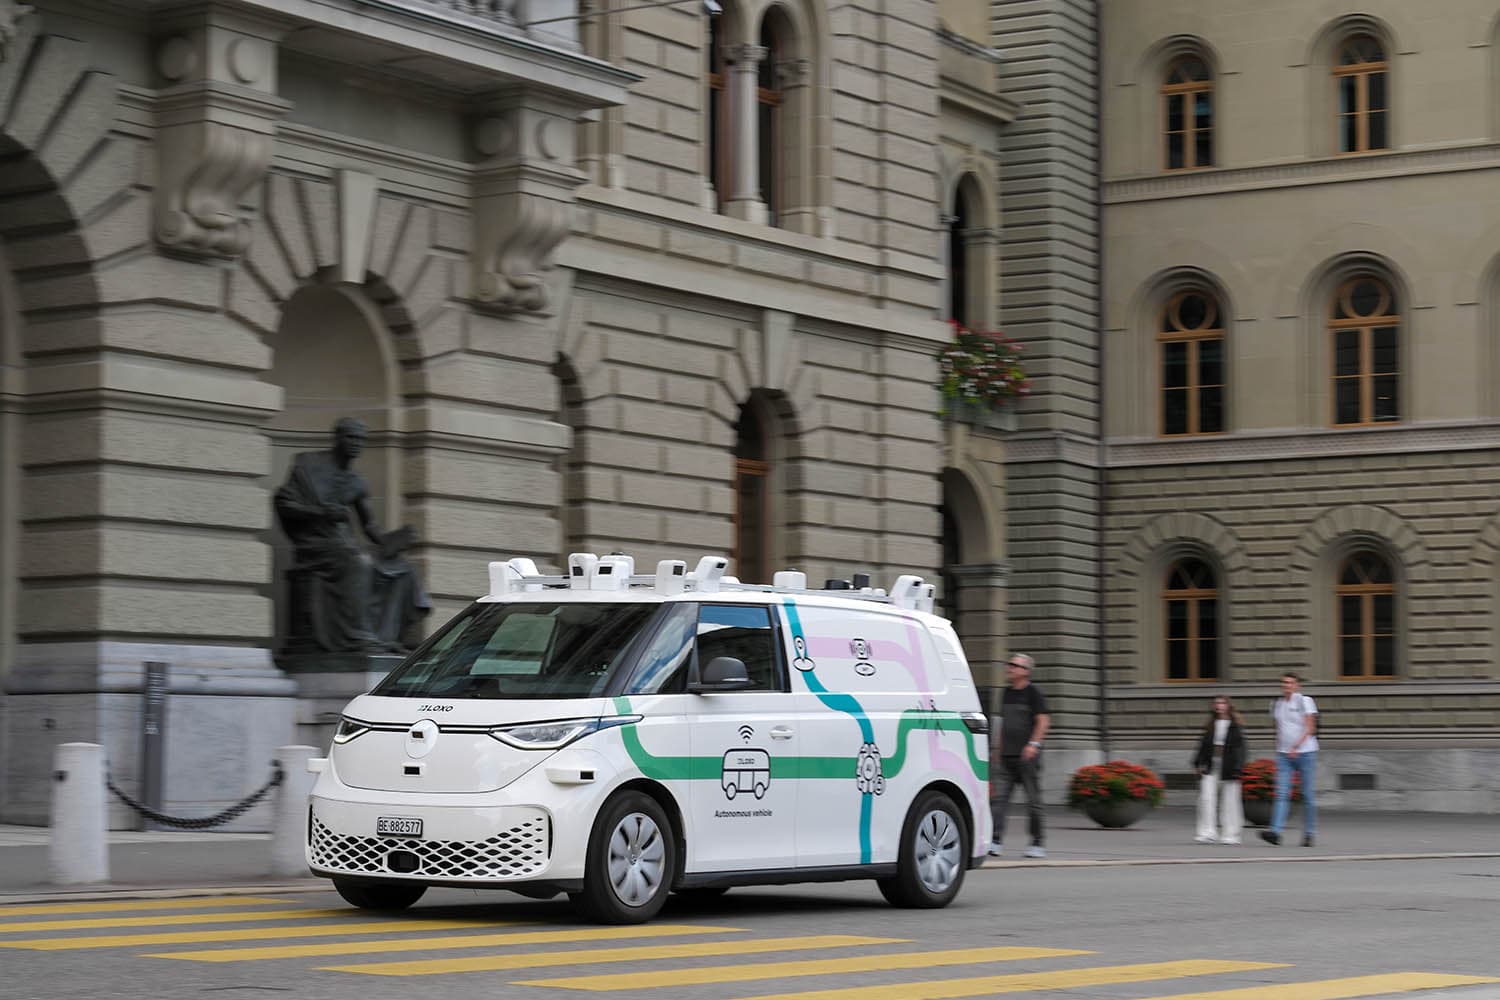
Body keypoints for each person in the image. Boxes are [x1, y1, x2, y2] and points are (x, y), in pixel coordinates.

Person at [274, 417, 430, 654]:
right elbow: (284, 503)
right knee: (359, 561)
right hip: (315, 545)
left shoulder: (357, 482)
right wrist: (320, 512)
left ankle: (389, 636)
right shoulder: (308, 465)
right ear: (337, 438)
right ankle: (357, 636)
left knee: (403, 569)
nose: (356, 443)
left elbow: (370, 527)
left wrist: (395, 539)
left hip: (343, 545)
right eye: (351, 437)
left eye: (360, 439)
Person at [989, 653, 1051, 859]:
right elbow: (1001, 722)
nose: (1010, 668)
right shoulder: (1006, 693)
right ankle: (995, 840)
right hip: (1006, 757)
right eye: (1009, 664)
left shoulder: (1034, 693)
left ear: (1026, 671)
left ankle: (1037, 843)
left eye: (1014, 665)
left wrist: (1033, 745)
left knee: (1033, 801)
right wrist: (997, 749)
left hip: (1027, 757)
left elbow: (1043, 721)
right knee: (999, 800)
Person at [1260, 671, 1319, 847]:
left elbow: (1310, 728)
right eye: (1284, 683)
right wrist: (1279, 748)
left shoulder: (1304, 701)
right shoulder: (1277, 704)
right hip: (1284, 756)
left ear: (1297, 685)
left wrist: (1296, 747)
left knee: (1307, 795)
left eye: (1290, 683)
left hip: (1306, 753)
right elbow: (1278, 728)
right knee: (1281, 794)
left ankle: (1309, 833)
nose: (1287, 686)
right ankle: (1275, 832)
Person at [1191, 694, 1248, 844]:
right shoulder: (1211, 725)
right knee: (1206, 798)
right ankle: (1208, 831)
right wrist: (1198, 764)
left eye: (1222, 703)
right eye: (1217, 703)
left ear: (1228, 705)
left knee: (1230, 800)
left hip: (1229, 766)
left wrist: (1239, 768)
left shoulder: (1235, 726)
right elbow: (1203, 746)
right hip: (1211, 765)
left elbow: (1241, 749)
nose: (1219, 705)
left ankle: (1231, 834)